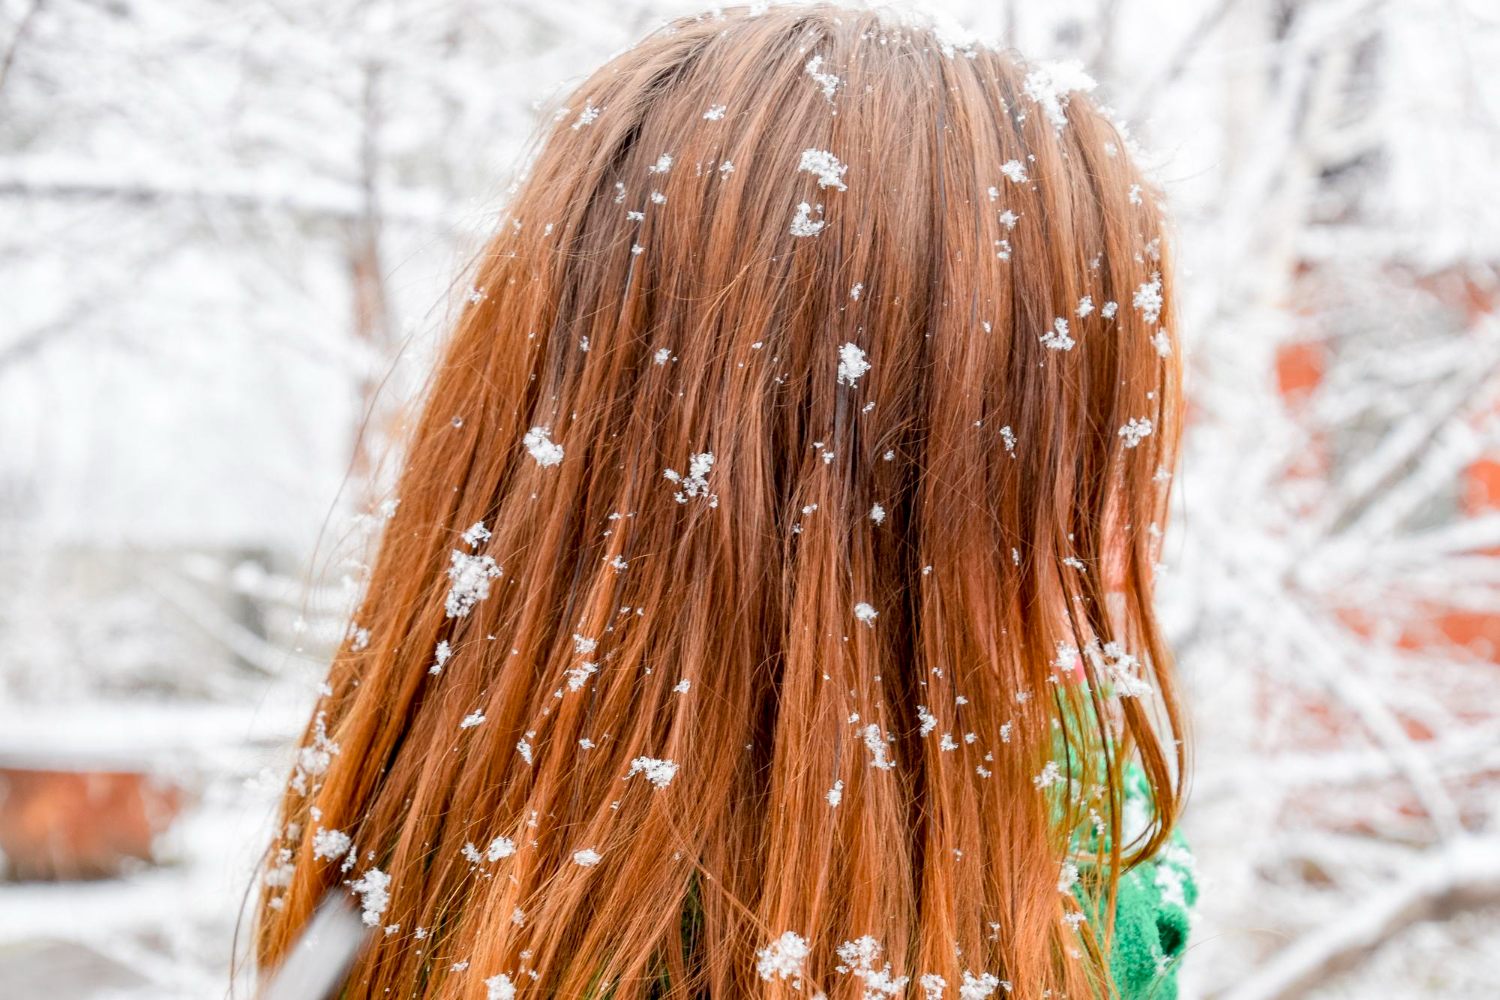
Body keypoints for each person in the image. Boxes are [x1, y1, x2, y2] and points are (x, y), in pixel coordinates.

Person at [253, 5, 1194, 998]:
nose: (1127, 569)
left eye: (1126, 478)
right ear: (838, 532)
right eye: (1068, 486)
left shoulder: (1079, 850)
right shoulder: (1058, 901)